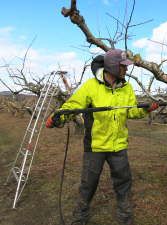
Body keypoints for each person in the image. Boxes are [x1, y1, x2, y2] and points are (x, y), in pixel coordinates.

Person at [45, 49, 159, 225]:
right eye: (123, 66)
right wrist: (59, 117)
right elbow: (74, 105)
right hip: (95, 146)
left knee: (123, 183)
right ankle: (79, 218)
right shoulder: (91, 86)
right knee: (88, 185)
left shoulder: (126, 87)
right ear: (113, 66)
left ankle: (125, 217)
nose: (126, 70)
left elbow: (131, 111)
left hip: (119, 145)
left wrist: (145, 109)